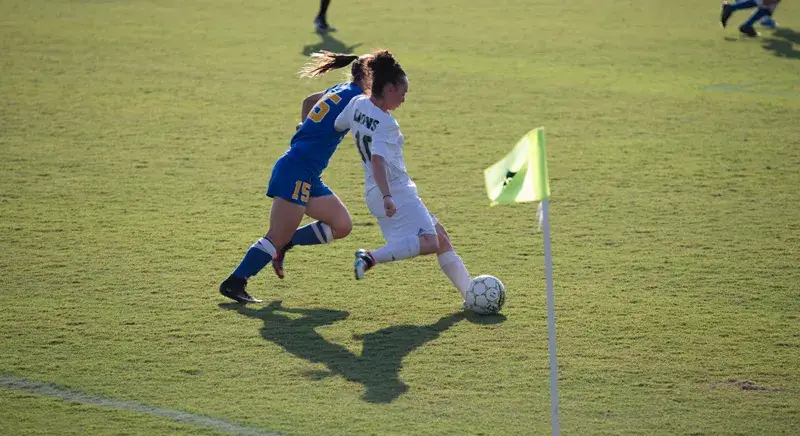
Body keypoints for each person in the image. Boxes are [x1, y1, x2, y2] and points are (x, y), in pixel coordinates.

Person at [219, 50, 372, 304]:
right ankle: (235, 282)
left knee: (341, 225)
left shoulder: (342, 88)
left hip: (307, 173)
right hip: (297, 171)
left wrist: (306, 128)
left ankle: (286, 244)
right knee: (275, 235)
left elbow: (308, 101)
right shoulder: (356, 99)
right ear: (370, 78)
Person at [333, 51, 473, 301]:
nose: (404, 99)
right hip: (394, 192)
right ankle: (369, 257)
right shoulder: (387, 123)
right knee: (430, 241)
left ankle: (470, 294)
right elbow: (378, 159)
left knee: (441, 237)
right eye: (402, 93)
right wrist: (388, 196)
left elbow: (337, 125)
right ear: (388, 88)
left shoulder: (356, 104)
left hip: (373, 192)